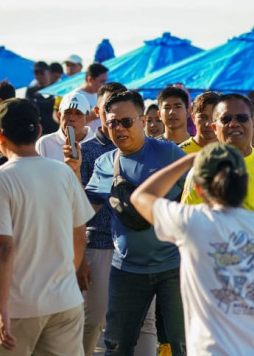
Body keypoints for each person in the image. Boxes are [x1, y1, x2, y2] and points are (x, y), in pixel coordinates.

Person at [130, 143, 254, 355]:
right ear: (246, 182)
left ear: (198, 188)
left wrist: (187, 161)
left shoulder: (190, 223)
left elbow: (141, 197)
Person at [0, 98, 94, 356]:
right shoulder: (64, 172)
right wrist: (64, 277)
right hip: (65, 300)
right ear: (39, 131)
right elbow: (80, 235)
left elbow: (3, 247)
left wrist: (1, 308)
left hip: (20, 305)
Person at [84, 90, 186, 355]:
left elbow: (196, 198)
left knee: (184, 344)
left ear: (142, 120)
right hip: (126, 269)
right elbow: (83, 213)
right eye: (112, 123)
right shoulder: (104, 163)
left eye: (126, 121)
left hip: (173, 266)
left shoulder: (169, 154)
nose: (118, 128)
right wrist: (71, 172)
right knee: (117, 346)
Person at [71, 82, 128, 356]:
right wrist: (79, 258)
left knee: (127, 324)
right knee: (92, 322)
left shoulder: (138, 149)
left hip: (132, 248)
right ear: (98, 111)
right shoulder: (85, 151)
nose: (115, 116)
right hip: (98, 246)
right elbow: (77, 208)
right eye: (108, 109)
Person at [181, 93, 254, 230]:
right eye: (226, 119)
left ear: (253, 122)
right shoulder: (200, 172)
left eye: (242, 118)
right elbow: (188, 228)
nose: (234, 124)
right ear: (215, 128)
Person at [36, 91, 95, 162]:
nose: (72, 118)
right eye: (67, 112)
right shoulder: (44, 144)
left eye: (78, 113)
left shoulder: (98, 144)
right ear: (59, 115)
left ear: (87, 117)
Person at [77, 63, 108, 129]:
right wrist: (93, 115)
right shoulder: (75, 97)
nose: (105, 85)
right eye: (102, 81)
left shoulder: (101, 96)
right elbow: (70, 124)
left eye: (105, 81)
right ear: (90, 79)